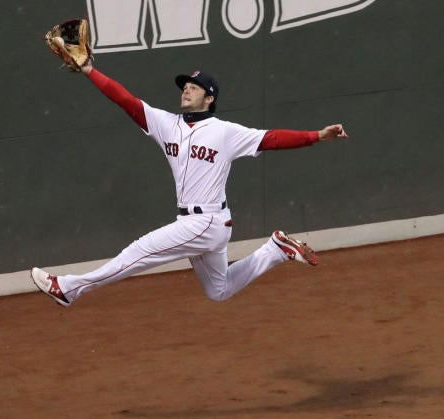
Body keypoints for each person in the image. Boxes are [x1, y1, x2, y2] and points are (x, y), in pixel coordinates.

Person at [30, 62, 348, 307]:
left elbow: (272, 139)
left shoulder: (224, 132)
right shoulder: (166, 124)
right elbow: (125, 100)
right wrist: (88, 69)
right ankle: (275, 250)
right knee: (219, 290)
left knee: (138, 252)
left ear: (209, 98)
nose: (186, 90)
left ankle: (69, 289)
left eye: (195, 88)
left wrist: (317, 136)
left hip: (206, 221)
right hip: (201, 221)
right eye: (185, 86)